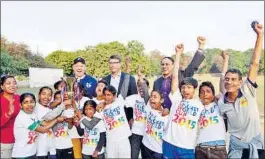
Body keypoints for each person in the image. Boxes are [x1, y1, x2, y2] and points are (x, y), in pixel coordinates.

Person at [218, 23, 264, 159]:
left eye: (233, 79)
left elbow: (254, 63)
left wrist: (260, 35)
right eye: (227, 79)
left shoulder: (247, 90)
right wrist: (226, 60)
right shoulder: (221, 100)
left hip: (255, 143)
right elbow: (222, 77)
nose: (229, 82)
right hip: (236, 147)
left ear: (240, 82)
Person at [162, 44, 204, 159]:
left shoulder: (200, 105)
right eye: (183, 87)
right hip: (169, 143)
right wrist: (178, 54)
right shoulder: (177, 100)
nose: (185, 90)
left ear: (195, 89)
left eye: (189, 87)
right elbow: (175, 76)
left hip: (186, 147)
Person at [153, 36, 206, 111]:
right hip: (162, 116)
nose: (164, 66)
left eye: (167, 64)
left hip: (179, 115)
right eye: (162, 64)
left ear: (173, 66)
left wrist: (201, 46)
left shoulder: (181, 76)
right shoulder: (157, 82)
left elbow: (193, 66)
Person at [81, 85, 132, 158]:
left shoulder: (119, 101)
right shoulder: (100, 109)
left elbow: (125, 85)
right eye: (104, 95)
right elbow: (90, 125)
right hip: (110, 141)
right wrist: (81, 117)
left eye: (109, 95)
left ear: (114, 95)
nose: (106, 97)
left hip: (123, 139)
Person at [12, 93, 64, 159]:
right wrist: (56, 120)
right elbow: (43, 130)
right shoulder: (22, 117)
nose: (29, 104)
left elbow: (45, 124)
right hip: (22, 155)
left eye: (32, 102)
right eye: (26, 102)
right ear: (21, 105)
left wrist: (60, 117)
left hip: (32, 153)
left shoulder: (32, 114)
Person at [195, 81, 227, 159]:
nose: (205, 94)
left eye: (208, 92)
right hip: (200, 149)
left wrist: (219, 98)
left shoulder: (219, 105)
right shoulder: (197, 108)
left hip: (217, 149)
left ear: (213, 95)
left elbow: (223, 92)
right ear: (199, 96)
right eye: (202, 92)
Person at [103, 54, 138, 123]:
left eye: (115, 63)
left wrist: (131, 117)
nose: (112, 65)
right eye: (110, 63)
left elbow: (134, 98)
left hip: (125, 117)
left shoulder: (130, 78)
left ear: (120, 64)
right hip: (109, 118)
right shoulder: (105, 80)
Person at [124, 66, 150, 159]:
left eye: (143, 85)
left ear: (148, 87)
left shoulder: (151, 99)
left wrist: (140, 76)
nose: (141, 88)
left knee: (145, 156)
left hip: (148, 135)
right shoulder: (133, 98)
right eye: (138, 85)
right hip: (135, 133)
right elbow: (120, 102)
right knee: (133, 156)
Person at [141, 90, 169, 159]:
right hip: (145, 146)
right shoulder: (149, 109)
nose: (152, 98)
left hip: (157, 151)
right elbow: (144, 89)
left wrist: (167, 110)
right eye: (151, 96)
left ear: (161, 100)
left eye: (155, 97)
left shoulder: (166, 117)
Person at [0, 75, 20, 158]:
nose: (12, 85)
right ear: (2, 86)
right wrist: (8, 114)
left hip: (20, 140)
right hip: (6, 142)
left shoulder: (20, 98)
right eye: (8, 83)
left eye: (14, 83)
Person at [34, 87, 57, 159]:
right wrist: (57, 119)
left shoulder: (48, 108)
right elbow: (45, 124)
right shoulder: (35, 108)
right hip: (40, 149)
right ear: (39, 95)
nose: (46, 97)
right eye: (44, 94)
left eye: (49, 95)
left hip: (51, 146)